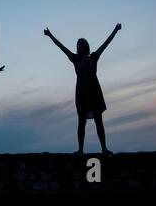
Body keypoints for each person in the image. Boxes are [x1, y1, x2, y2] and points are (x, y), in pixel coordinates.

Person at [44, 23, 122, 155]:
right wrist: (50, 35)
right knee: (81, 122)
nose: (79, 46)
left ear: (86, 46)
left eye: (81, 44)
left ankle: (104, 148)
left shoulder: (94, 57)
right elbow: (61, 47)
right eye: (78, 44)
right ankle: (80, 149)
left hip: (94, 92)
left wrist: (115, 30)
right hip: (81, 93)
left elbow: (106, 43)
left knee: (99, 121)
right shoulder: (74, 59)